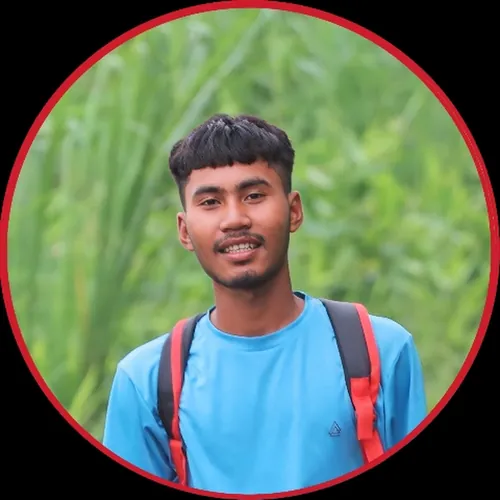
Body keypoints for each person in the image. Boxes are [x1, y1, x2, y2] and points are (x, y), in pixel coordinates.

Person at [102, 113, 427, 495]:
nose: (234, 219)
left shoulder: (379, 350)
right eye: (210, 202)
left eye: (254, 196)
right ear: (185, 230)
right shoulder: (147, 380)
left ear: (294, 211)